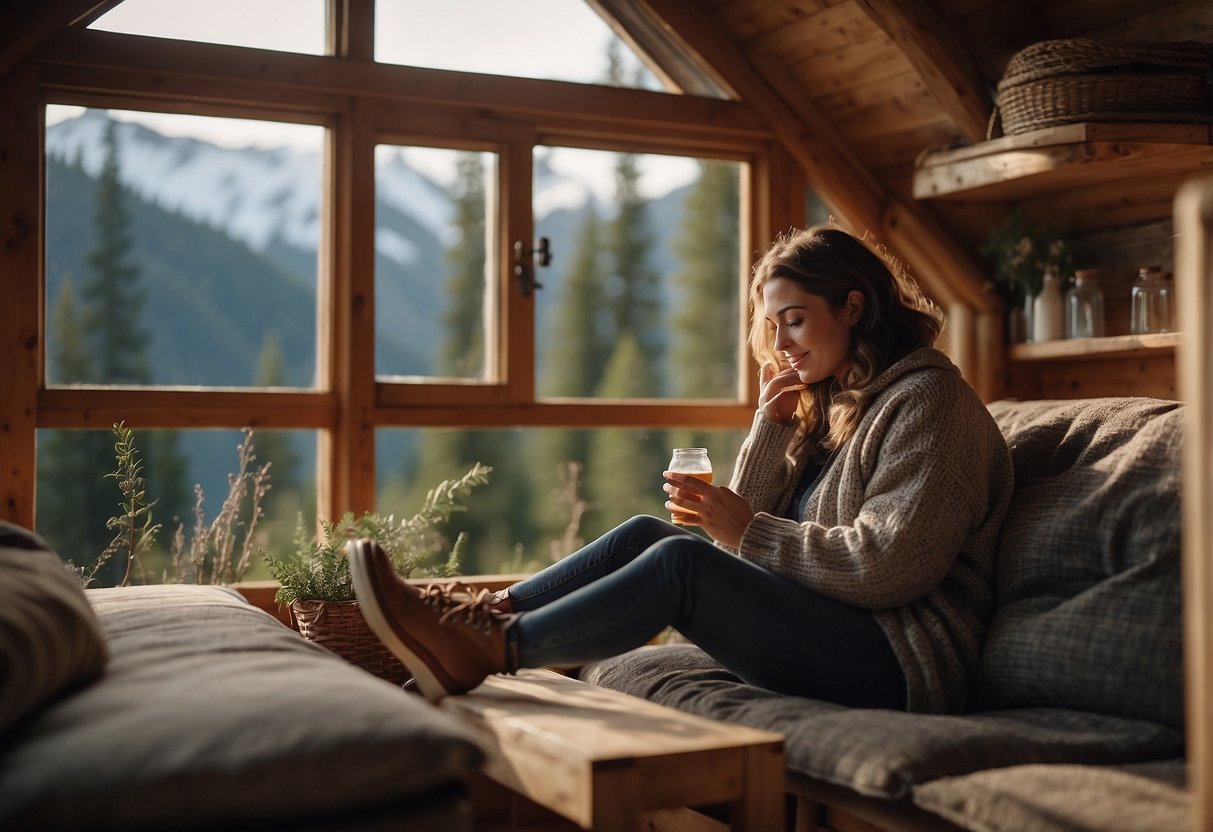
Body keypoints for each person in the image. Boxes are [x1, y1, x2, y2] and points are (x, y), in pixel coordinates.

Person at [349, 224, 1014, 715]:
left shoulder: (930, 404)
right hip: (832, 626)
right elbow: (747, 537)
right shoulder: (839, 401)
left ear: (853, 306)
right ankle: (480, 618)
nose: (779, 344)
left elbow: (887, 564)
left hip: (900, 661)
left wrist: (750, 530)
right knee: (648, 535)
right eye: (772, 326)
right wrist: (770, 425)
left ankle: (493, 649)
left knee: (681, 568)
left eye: (795, 322)